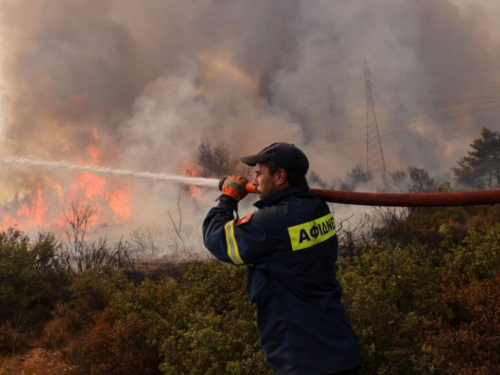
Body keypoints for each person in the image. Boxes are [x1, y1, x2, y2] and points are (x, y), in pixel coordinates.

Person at [203, 142, 360, 375]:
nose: (254, 181)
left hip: (303, 359)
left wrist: (227, 200)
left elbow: (216, 240)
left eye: (259, 173)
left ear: (280, 177)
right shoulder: (316, 208)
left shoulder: (270, 223)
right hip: (337, 347)